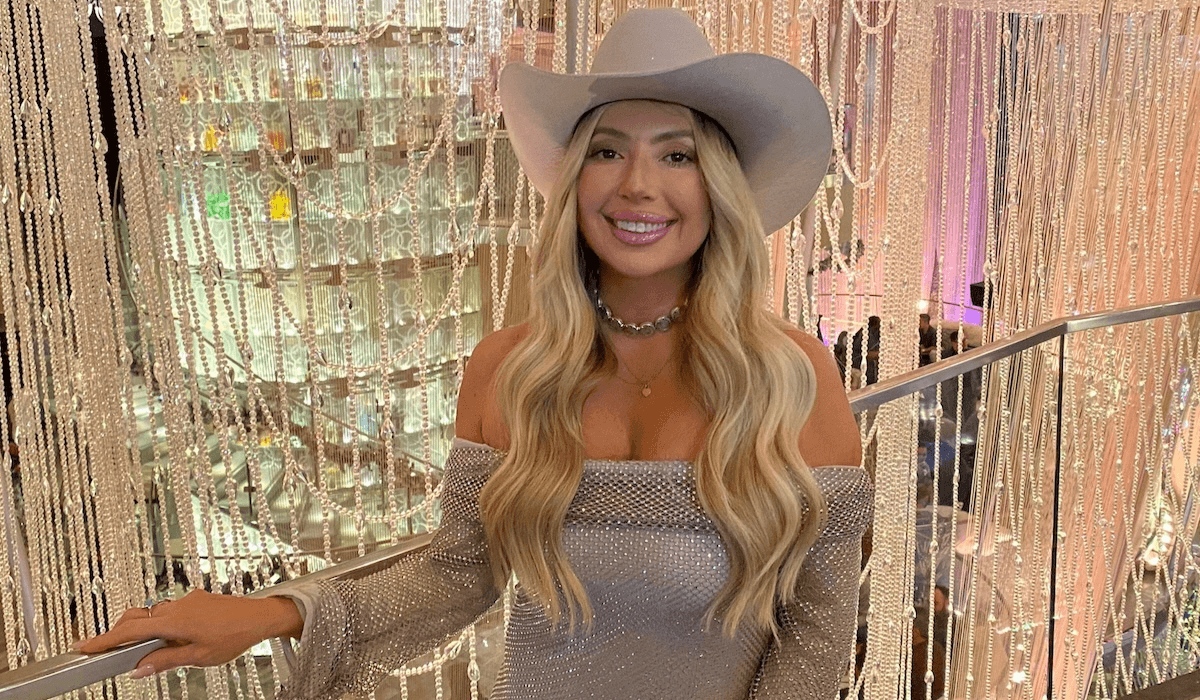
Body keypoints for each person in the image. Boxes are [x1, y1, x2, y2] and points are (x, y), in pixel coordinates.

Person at [77, 9, 872, 699]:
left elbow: (818, 630)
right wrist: (274, 613)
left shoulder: (792, 378)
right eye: (605, 152)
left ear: (718, 186)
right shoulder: (509, 368)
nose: (637, 185)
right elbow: (456, 577)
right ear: (572, 181)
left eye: (677, 155)